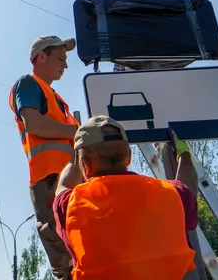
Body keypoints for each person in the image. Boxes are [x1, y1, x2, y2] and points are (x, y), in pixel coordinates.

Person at [52, 115, 198, 279]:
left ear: (85, 165)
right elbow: (188, 186)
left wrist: (75, 159)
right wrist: (184, 154)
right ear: (129, 157)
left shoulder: (72, 206)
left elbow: (62, 186)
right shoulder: (170, 193)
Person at [9, 35, 81, 280]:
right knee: (65, 254)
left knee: (79, 250)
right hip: (49, 180)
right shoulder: (28, 84)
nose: (66, 65)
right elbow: (34, 124)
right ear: (41, 57)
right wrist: (77, 131)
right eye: (61, 58)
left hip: (66, 180)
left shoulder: (57, 99)